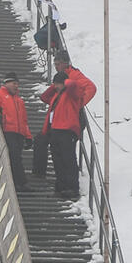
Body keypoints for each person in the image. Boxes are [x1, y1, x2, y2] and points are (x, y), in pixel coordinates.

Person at [39, 50, 98, 198]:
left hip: (68, 127)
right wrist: (56, 85)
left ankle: (71, 187)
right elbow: (44, 97)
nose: (56, 66)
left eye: (58, 64)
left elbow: (88, 87)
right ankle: (61, 186)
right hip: (56, 129)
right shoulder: (58, 94)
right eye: (55, 64)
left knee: (68, 158)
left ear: (65, 63)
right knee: (58, 158)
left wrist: (78, 103)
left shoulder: (73, 82)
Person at [0, 74, 32, 192]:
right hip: (8, 131)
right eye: (14, 83)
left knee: (16, 157)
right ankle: (20, 182)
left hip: (19, 133)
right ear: (6, 83)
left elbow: (24, 121)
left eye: (17, 84)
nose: (16, 86)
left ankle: (18, 182)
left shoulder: (19, 101)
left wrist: (28, 136)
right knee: (14, 156)